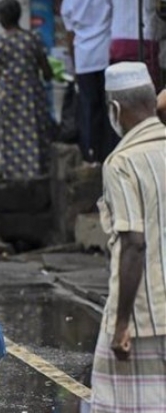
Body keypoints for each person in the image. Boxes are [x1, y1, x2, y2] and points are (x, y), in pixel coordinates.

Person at [91, 61, 166, 413]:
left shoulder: (121, 162)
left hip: (144, 315)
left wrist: (121, 324)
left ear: (115, 110)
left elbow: (134, 243)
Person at [0, 0, 54, 180]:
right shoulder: (32, 38)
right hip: (32, 96)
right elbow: (46, 69)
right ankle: (39, 175)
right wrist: (48, 76)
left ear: (2, 17)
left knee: (11, 136)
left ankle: (14, 176)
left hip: (8, 97)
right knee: (35, 131)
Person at [61, 0, 117, 163]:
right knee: (109, 110)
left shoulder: (69, 3)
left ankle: (92, 156)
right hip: (105, 55)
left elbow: (70, 35)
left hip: (83, 59)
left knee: (89, 111)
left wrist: (74, 64)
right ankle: (110, 154)